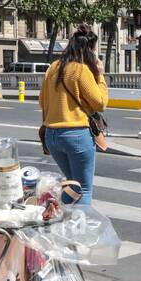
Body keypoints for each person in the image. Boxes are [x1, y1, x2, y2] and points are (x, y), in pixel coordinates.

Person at [39, 24, 107, 205]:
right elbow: (100, 103)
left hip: (52, 136)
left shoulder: (53, 67)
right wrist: (100, 76)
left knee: (71, 185)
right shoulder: (81, 69)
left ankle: (63, 218)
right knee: (82, 188)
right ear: (89, 50)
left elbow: (42, 103)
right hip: (77, 134)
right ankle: (80, 231)